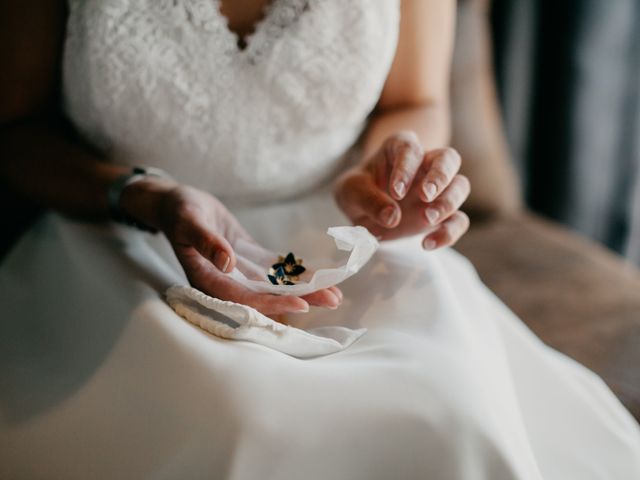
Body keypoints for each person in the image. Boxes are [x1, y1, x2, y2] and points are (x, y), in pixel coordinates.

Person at [0, 1, 638, 478]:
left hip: (341, 235)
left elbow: (414, 99)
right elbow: (17, 131)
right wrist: (148, 196)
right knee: (246, 418)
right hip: (123, 231)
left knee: (446, 409)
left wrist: (390, 172)